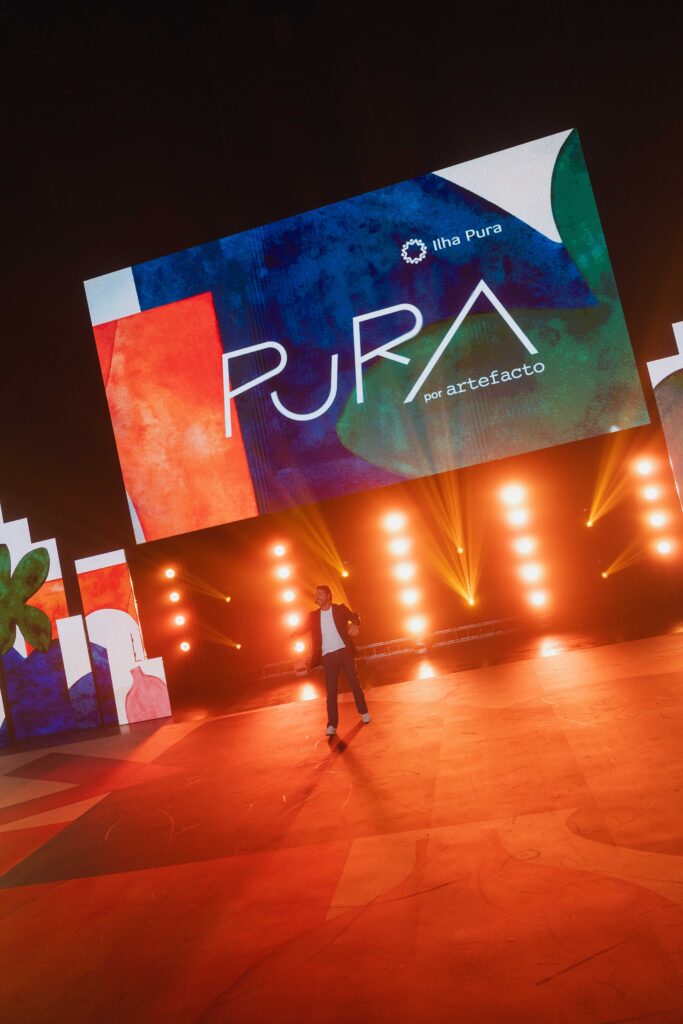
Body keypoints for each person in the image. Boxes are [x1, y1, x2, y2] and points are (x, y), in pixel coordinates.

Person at [292, 585, 371, 736]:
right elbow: (301, 629)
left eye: (320, 593)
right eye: (316, 594)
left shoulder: (340, 609)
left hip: (344, 653)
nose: (317, 596)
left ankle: (364, 712)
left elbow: (356, 616)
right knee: (331, 692)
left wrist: (355, 624)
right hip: (327, 657)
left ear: (329, 596)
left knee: (354, 684)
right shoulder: (313, 616)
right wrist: (294, 635)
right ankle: (332, 725)